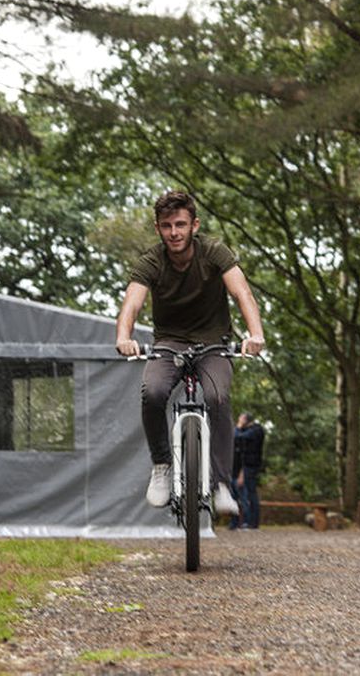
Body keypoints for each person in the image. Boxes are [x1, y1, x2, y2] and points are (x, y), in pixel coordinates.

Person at [114, 190, 265, 517]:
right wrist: (124, 336)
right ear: (158, 228)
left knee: (217, 396)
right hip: (169, 343)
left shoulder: (214, 252)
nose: (174, 232)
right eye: (167, 226)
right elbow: (132, 303)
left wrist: (256, 334)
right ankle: (162, 466)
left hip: (213, 343)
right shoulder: (151, 261)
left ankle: (221, 484)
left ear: (194, 225)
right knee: (153, 392)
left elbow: (242, 293)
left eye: (180, 224)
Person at [233, 412, 265, 529]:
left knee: (250, 494)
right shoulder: (251, 430)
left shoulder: (256, 430)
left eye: (241, 419)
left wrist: (238, 426)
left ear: (246, 420)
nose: (239, 421)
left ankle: (253, 522)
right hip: (247, 465)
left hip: (251, 465)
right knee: (249, 493)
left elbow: (237, 436)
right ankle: (250, 522)